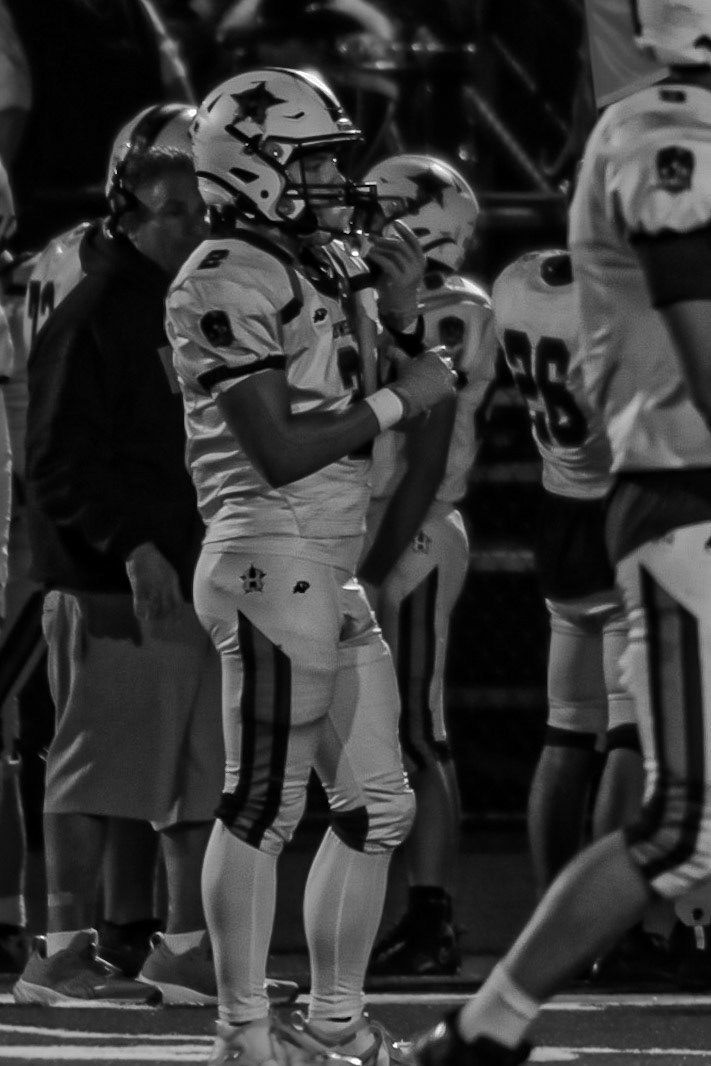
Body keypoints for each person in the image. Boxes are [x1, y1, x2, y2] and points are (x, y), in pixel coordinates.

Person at [413, 2, 711, 1062]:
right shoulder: (668, 133)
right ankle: (484, 1027)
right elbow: (700, 348)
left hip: (639, 499)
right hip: (687, 498)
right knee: (679, 824)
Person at [165, 67, 457, 1065]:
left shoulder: (321, 262)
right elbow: (280, 449)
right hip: (268, 553)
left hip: (320, 561)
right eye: (318, 161)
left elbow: (399, 392)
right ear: (254, 168)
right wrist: (403, 394)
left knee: (378, 804)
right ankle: (244, 1034)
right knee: (263, 803)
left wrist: (403, 316)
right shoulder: (221, 275)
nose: (337, 178)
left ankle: (334, 1024)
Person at [13, 138, 223, 1006]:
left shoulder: (175, 302)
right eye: (176, 211)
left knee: (194, 775)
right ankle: (59, 953)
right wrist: (132, 545)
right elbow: (56, 463)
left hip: (181, 572)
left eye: (203, 209)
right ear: (128, 216)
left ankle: (184, 950)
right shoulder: (98, 310)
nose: (196, 226)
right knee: (90, 771)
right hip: (114, 583)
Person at [491, 248, 656, 982]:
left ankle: (549, 921)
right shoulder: (621, 303)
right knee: (631, 735)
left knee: (566, 730)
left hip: (559, 513)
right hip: (623, 516)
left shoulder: (516, 283)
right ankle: (608, 931)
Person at [358, 154, 496, 977]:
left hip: (412, 530)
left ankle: (431, 914)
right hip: (377, 524)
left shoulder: (451, 309)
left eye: (379, 213)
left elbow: (421, 452)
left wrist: (373, 565)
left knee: (416, 725)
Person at [0, 0, 194, 251]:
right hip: (140, 225)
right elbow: (182, 112)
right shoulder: (137, 8)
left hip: (48, 234)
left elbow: (10, 114)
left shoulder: (11, 10)